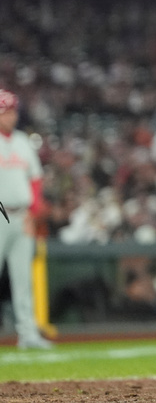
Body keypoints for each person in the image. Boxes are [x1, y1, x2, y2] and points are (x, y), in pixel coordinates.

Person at [0, 89, 54, 349]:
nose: (10, 116)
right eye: (5, 112)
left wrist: (34, 212)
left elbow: (35, 179)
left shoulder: (22, 140)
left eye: (12, 111)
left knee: (23, 279)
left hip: (22, 216)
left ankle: (28, 333)